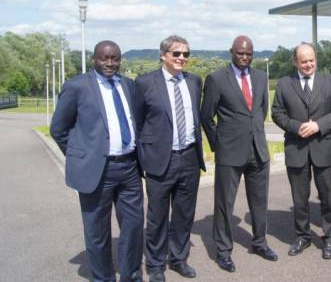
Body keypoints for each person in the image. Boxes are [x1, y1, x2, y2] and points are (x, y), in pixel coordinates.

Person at [50, 41, 144, 282]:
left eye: (115, 58)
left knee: (133, 228)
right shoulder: (77, 87)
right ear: (94, 60)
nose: (111, 63)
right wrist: (82, 156)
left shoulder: (128, 85)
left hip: (129, 169)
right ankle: (103, 278)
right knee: (97, 233)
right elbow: (59, 129)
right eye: (105, 58)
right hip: (97, 171)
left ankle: (131, 276)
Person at [200, 35, 278, 273]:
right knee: (224, 203)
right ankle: (223, 251)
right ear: (231, 52)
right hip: (229, 153)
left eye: (249, 53)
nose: (245, 57)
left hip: (258, 151)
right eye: (240, 53)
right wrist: (219, 144)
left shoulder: (260, 77)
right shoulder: (216, 78)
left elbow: (261, 111)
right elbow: (206, 116)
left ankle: (259, 242)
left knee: (259, 201)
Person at [134, 35, 206, 281]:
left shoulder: (195, 82)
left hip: (189, 158)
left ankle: (178, 259)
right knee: (157, 217)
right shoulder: (145, 83)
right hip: (160, 160)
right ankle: (155, 265)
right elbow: (138, 122)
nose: (181, 58)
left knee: (185, 214)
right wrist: (144, 158)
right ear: (163, 55)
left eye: (185, 54)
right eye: (176, 54)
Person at [271, 43, 331, 260]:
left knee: (328, 196)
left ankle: (330, 237)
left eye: (311, 60)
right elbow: (276, 113)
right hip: (296, 149)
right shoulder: (285, 84)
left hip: (324, 147)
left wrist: (318, 125)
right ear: (295, 61)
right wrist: (297, 127)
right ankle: (303, 236)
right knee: (300, 198)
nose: (308, 65)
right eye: (303, 61)